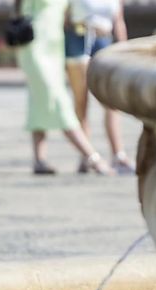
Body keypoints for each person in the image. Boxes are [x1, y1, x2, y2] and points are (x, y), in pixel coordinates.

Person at [15, 0, 113, 175]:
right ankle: (93, 157)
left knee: (38, 100)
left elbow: (77, 13)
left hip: (55, 47)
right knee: (58, 100)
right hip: (34, 45)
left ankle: (39, 160)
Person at [65, 0, 135, 174]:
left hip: (104, 40)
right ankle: (86, 155)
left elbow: (118, 20)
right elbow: (64, 17)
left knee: (111, 102)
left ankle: (118, 155)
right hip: (79, 39)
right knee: (81, 100)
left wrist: (124, 49)